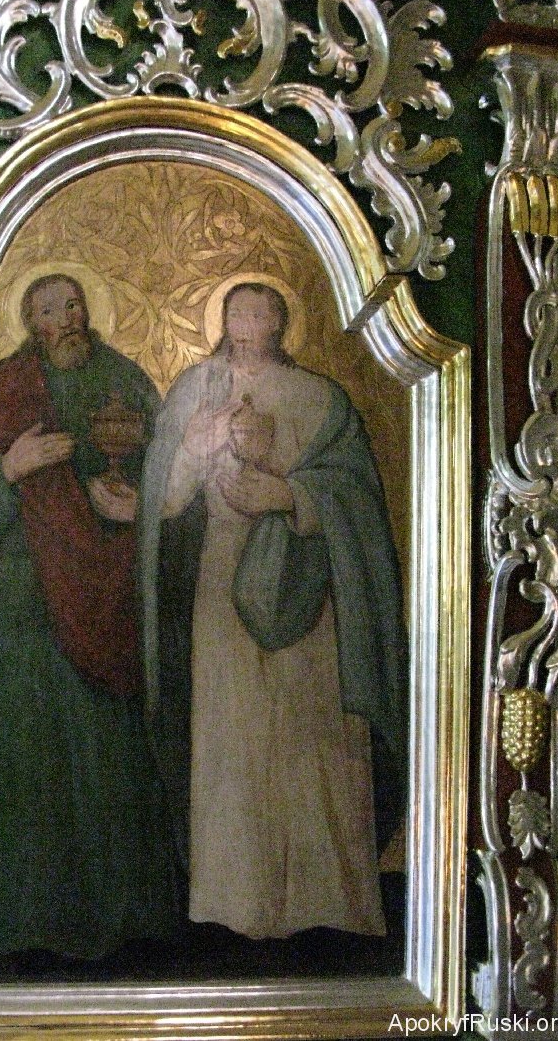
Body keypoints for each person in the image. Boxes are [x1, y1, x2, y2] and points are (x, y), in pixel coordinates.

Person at [0, 273, 178, 960]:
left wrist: (141, 506)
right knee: (27, 763)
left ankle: (131, 919)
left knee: (109, 761)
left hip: (110, 603)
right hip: (21, 611)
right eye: (51, 310)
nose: (68, 319)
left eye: (74, 305)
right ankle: (23, 922)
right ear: (31, 323)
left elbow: (177, 475)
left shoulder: (127, 384)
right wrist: (8, 468)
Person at [139, 282, 407, 941]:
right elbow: (164, 502)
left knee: (310, 739)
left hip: (307, 584)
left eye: (261, 312)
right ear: (222, 320)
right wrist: (194, 449)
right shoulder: (193, 391)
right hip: (220, 581)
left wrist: (287, 493)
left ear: (282, 322)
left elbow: (357, 497)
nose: (248, 323)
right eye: (237, 311)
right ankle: (233, 904)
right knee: (231, 739)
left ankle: (327, 904)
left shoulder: (321, 398)